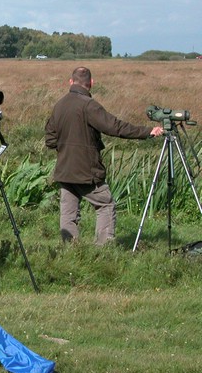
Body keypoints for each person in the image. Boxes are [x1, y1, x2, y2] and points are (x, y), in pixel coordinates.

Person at [45, 66, 163, 244]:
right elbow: (115, 127)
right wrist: (148, 131)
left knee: (68, 212)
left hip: (64, 169)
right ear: (91, 83)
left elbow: (50, 140)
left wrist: (66, 148)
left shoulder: (59, 105)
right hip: (86, 170)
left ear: (70, 82)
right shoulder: (89, 105)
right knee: (105, 205)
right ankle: (103, 249)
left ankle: (70, 251)